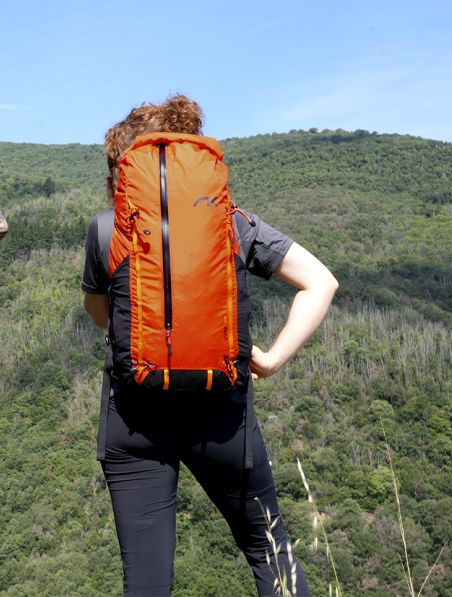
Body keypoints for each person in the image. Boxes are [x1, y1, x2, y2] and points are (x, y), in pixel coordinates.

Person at [81, 94, 338, 597]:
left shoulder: (105, 228)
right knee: (270, 552)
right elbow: (320, 283)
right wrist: (271, 358)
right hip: (223, 417)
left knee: (147, 580)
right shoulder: (234, 223)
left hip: (135, 419)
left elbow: (102, 317)